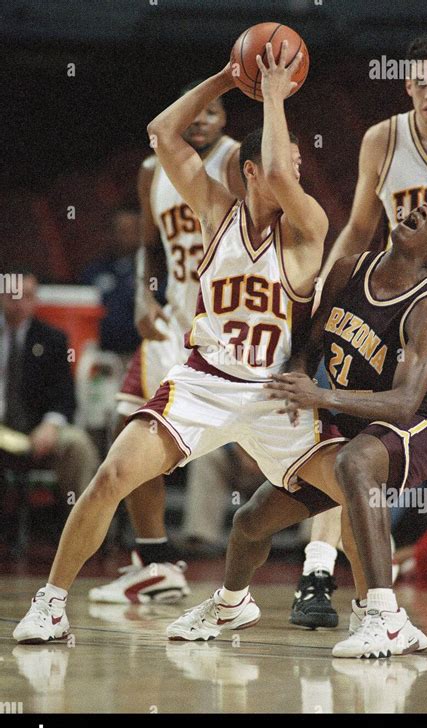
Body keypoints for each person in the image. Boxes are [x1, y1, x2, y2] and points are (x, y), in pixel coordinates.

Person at [13, 41, 329, 644]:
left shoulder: (308, 226)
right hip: (203, 378)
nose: (288, 167)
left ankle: (380, 611)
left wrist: (270, 91)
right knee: (112, 473)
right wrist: (226, 76)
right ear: (249, 169)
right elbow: (161, 131)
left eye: (290, 158)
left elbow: (286, 173)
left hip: (272, 390)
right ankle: (52, 602)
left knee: (354, 483)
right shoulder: (216, 208)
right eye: (274, 156)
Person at [167, 197, 427, 659]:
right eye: (423, 206)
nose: (422, 211)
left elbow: (406, 403)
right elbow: (307, 343)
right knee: (250, 521)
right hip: (350, 422)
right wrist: (300, 378)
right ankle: (229, 604)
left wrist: (321, 396)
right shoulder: (348, 271)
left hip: (422, 424)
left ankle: (384, 617)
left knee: (355, 462)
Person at [293, 34, 427, 631]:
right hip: (383, 300)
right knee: (344, 434)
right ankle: (317, 573)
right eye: (417, 81)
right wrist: (329, 284)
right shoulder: (383, 138)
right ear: (406, 85)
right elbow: (358, 227)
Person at [88, 82, 244, 603]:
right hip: (168, 325)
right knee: (125, 430)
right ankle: (155, 562)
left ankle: (320, 562)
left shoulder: (237, 162)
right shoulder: (152, 170)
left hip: (225, 328)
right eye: (193, 114)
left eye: (213, 112)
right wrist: (144, 299)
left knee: (255, 454)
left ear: (224, 120)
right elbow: (150, 250)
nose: (201, 122)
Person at [0, 271, 100, 508]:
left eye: (27, 296)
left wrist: (51, 424)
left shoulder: (52, 339)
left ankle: (79, 528)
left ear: (36, 300)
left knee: (78, 445)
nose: (19, 303)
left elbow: (65, 398)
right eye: (13, 296)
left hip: (37, 428)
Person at [80, 208, 141, 359]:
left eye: (131, 230)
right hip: (100, 354)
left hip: (137, 354)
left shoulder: (149, 274)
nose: (125, 236)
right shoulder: (93, 271)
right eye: (120, 230)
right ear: (110, 233)